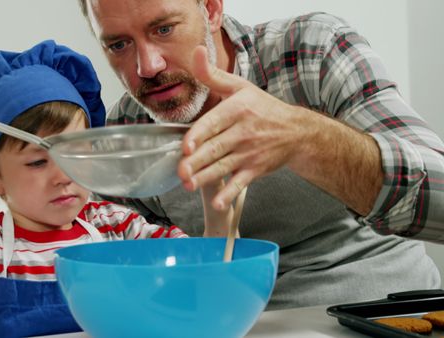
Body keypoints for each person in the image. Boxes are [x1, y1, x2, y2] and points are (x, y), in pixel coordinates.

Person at [76, 0, 444, 310]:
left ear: (211, 8)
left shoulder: (313, 52)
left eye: (164, 29)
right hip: (233, 323)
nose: (147, 67)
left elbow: (437, 196)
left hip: (380, 312)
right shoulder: (129, 128)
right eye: (119, 45)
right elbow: (138, 286)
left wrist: (305, 137)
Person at [0, 40, 232, 338]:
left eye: (75, 155)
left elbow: (205, 271)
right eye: (38, 162)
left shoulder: (115, 227)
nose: (64, 176)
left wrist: (214, 194)